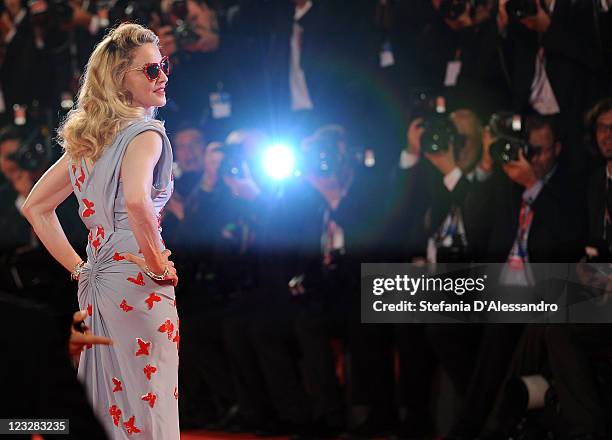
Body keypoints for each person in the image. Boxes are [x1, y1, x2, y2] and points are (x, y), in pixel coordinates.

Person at [22, 23, 180, 439]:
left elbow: (36, 208)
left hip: (98, 282)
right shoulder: (146, 133)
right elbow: (136, 201)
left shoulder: (88, 142)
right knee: (151, 397)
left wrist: (80, 270)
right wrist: (157, 262)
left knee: (105, 404)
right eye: (149, 70)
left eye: (162, 65)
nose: (162, 76)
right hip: (137, 278)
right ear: (119, 80)